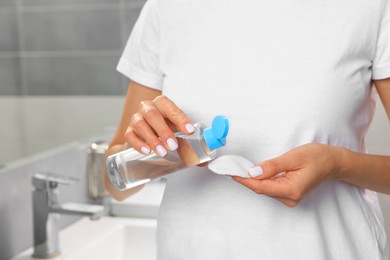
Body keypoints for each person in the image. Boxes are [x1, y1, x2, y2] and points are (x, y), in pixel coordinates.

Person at [104, 0, 390, 259]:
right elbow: (112, 182)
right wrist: (149, 150)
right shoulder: (167, 8)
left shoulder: (369, 7)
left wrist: (337, 164)